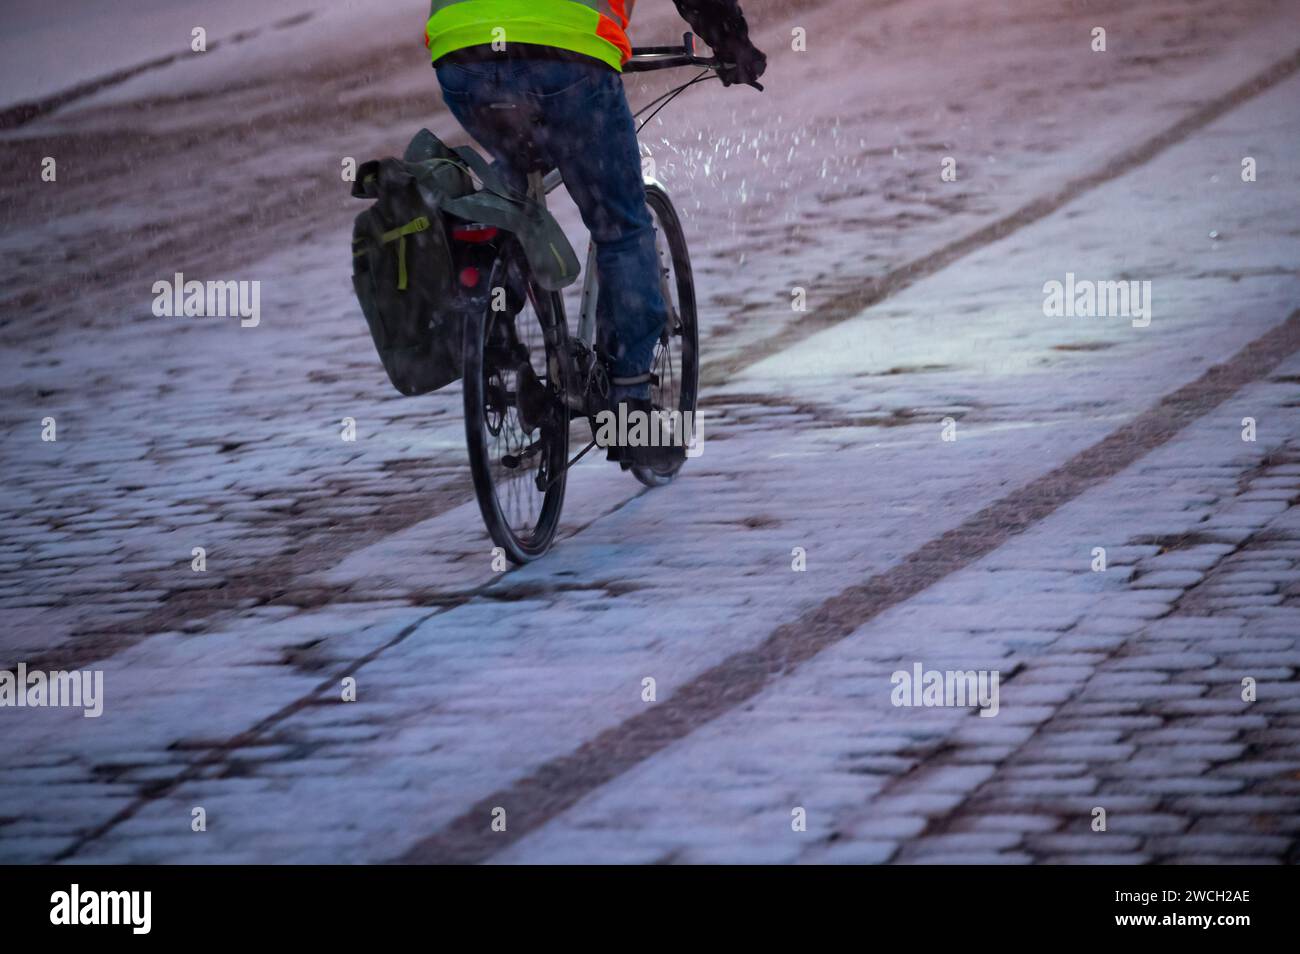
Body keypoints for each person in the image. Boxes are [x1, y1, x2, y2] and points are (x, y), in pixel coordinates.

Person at [424, 0, 766, 468]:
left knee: (513, 187)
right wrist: (731, 42)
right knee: (621, 227)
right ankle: (629, 411)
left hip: (463, 53)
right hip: (568, 58)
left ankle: (495, 308)